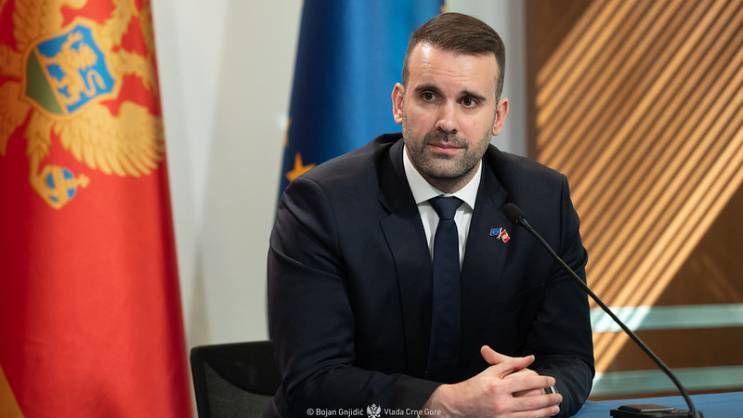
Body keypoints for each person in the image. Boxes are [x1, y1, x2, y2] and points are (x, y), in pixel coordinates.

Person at [267, 12, 594, 418]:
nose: (447, 122)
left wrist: (530, 398)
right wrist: (447, 404)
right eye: (428, 96)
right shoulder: (322, 204)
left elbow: (570, 358)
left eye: (469, 101)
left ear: (498, 116)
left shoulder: (542, 201)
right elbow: (312, 382)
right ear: (399, 103)